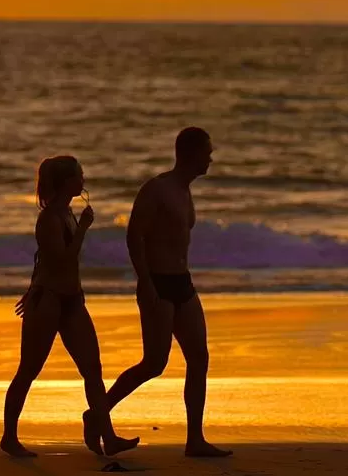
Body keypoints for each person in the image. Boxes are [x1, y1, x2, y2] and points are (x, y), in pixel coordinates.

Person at [1, 156, 139, 458]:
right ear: (66, 182)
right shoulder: (50, 218)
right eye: (79, 175)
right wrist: (84, 229)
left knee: (93, 368)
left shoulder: (67, 213)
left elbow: (44, 259)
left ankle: (108, 436)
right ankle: (8, 437)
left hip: (72, 300)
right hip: (49, 300)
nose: (83, 179)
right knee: (29, 369)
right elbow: (61, 258)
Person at [107, 127, 232, 458]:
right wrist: (145, 283)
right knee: (154, 363)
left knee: (199, 357)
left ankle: (195, 440)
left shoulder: (184, 190)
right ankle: (98, 413)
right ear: (189, 153)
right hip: (157, 283)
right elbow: (135, 236)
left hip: (182, 282)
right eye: (206, 151)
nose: (210, 157)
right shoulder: (157, 189)